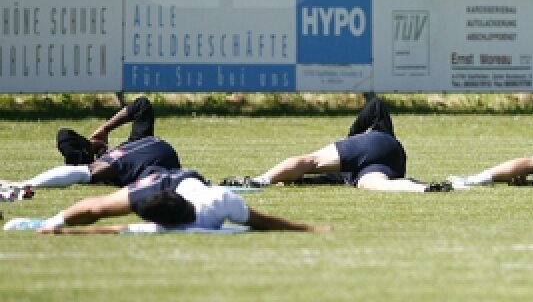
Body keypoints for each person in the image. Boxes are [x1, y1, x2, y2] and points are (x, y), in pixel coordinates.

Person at [5, 168, 328, 234]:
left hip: (176, 185)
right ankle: (53, 217)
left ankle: (50, 221)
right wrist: (308, 228)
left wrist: (56, 231)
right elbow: (94, 212)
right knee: (99, 206)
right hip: (171, 181)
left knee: (100, 209)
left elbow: (113, 230)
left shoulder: (215, 201)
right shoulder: (219, 201)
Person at [230, 96, 449, 193]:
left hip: (373, 146)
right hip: (391, 164)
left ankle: (260, 180)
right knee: (374, 185)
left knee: (311, 161)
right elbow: (377, 105)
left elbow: (376, 105)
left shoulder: (359, 147)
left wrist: (353, 136)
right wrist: (300, 183)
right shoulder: (382, 135)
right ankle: (421, 188)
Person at [18, 96, 181, 189]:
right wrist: (25, 184)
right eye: (88, 144)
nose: (91, 139)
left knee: (65, 136)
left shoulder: (135, 143)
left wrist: (105, 129)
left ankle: (24, 184)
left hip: (149, 155)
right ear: (87, 153)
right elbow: (81, 172)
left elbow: (142, 105)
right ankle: (24, 184)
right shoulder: (110, 164)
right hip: (151, 164)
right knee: (85, 169)